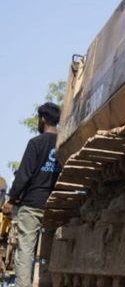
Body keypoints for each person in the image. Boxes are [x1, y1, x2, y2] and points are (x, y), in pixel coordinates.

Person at [8, 103, 62, 287]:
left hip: (31, 205)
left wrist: (12, 198)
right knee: (48, 253)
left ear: (43, 119)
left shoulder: (35, 143)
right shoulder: (63, 143)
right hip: (53, 206)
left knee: (25, 250)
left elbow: (24, 175)